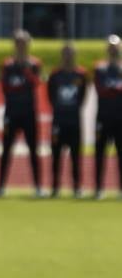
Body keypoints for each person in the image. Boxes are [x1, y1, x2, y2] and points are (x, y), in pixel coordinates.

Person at [0, 29, 44, 196]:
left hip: (29, 113)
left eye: (24, 43)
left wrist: (26, 71)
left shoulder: (34, 64)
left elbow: (36, 83)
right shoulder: (7, 65)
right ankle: (0, 186)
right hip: (11, 112)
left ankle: (38, 186)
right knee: (6, 149)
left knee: (33, 149)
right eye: (18, 43)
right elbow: (5, 87)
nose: (21, 46)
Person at [47, 44, 88, 197]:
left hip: (74, 121)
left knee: (76, 156)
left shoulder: (81, 75)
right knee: (56, 155)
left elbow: (83, 97)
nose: (68, 57)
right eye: (66, 54)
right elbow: (50, 96)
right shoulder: (55, 75)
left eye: (71, 54)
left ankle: (77, 186)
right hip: (58, 121)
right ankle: (55, 186)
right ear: (61, 56)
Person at [95, 34, 122, 199]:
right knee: (100, 154)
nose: (113, 50)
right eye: (110, 47)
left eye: (116, 47)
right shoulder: (100, 69)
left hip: (120, 118)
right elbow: (101, 90)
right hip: (103, 117)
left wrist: (112, 88)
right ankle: (99, 188)